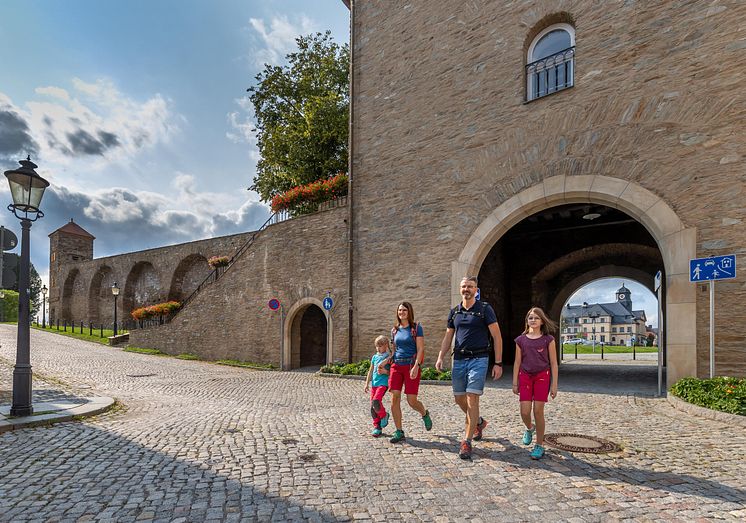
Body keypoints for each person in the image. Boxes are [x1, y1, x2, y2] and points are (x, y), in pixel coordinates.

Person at [436, 276, 503, 460]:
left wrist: (498, 363)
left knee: (472, 398)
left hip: (479, 359)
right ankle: (479, 422)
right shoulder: (454, 312)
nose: (467, 289)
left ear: (476, 289)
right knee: (459, 399)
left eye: (470, 286)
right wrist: (441, 356)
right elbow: (448, 337)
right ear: (460, 289)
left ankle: (466, 441)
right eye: (464, 286)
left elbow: (497, 336)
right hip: (459, 359)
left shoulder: (485, 309)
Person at [512, 307, 558, 460]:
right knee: (525, 412)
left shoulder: (548, 340)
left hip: (542, 377)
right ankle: (529, 428)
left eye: (536, 318)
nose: (533, 320)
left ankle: (539, 445)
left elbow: (553, 363)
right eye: (530, 317)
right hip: (525, 377)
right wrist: (514, 382)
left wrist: (554, 385)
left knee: (538, 411)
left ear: (542, 321)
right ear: (527, 321)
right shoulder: (521, 340)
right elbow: (517, 362)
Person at [386, 301, 433, 444]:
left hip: (411, 365)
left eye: (404, 310)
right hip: (396, 366)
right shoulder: (394, 330)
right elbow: (394, 350)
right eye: (400, 310)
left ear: (409, 312)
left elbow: (420, 349)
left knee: (411, 401)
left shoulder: (416, 328)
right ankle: (399, 431)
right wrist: (384, 363)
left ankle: (424, 413)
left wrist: (416, 366)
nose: (401, 312)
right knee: (394, 398)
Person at [364, 335, 391, 437]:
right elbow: (370, 371)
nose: (378, 348)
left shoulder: (388, 357)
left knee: (376, 401)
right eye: (377, 346)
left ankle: (384, 415)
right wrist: (367, 383)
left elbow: (392, 372)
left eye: (380, 346)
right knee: (372, 407)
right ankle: (377, 427)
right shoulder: (374, 357)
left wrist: (385, 370)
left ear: (386, 345)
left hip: (383, 384)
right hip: (374, 384)